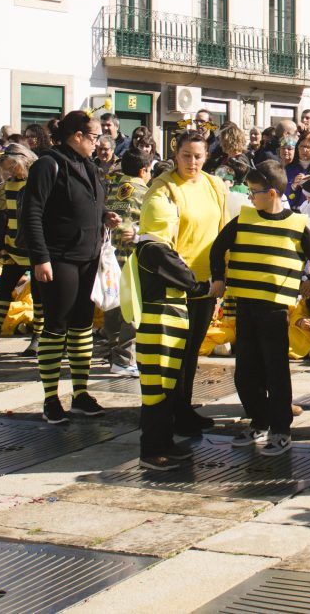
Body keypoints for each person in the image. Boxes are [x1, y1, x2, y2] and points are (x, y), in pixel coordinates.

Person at [210, 161, 310, 457]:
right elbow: (218, 247)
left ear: (273, 193)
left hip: (276, 309)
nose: (250, 197)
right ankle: (259, 420)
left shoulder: (298, 225)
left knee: (276, 371)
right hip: (245, 305)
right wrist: (218, 278)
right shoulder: (244, 218)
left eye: (255, 191)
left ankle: (280, 429)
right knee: (245, 372)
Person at [19, 111, 114, 424]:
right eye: (94, 136)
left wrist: (104, 216)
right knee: (56, 327)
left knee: (82, 326)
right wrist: (40, 257)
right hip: (58, 257)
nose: (98, 143)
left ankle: (80, 394)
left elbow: (89, 203)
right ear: (77, 136)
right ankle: (50, 398)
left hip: (88, 256)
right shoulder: (48, 164)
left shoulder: (89, 165)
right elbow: (32, 212)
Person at [146, 129, 230, 433]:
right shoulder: (164, 187)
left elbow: (223, 230)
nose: (192, 162)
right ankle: (168, 411)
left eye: (198, 156)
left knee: (193, 348)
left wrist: (222, 274)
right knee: (174, 350)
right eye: (186, 156)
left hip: (208, 280)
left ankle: (184, 406)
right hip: (176, 280)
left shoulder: (214, 184)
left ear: (206, 156)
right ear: (175, 155)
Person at [121, 193, 209, 470]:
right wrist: (209, 287)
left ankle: (165, 443)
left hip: (165, 327)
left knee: (166, 389)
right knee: (157, 393)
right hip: (160, 328)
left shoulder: (148, 247)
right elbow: (188, 279)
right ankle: (152, 450)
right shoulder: (156, 250)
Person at [0, 143, 42, 354]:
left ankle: (38, 336)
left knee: (39, 295)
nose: (11, 171)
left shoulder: (36, 183)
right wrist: (1, 244)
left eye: (13, 166)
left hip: (34, 247)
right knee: (3, 290)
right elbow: (0, 210)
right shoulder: (9, 186)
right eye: (7, 168)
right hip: (13, 246)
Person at [100, 149, 154, 376]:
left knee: (112, 305)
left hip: (110, 257)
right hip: (132, 258)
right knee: (131, 310)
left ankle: (112, 352)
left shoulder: (113, 189)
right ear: (143, 171)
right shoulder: (145, 192)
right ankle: (123, 358)